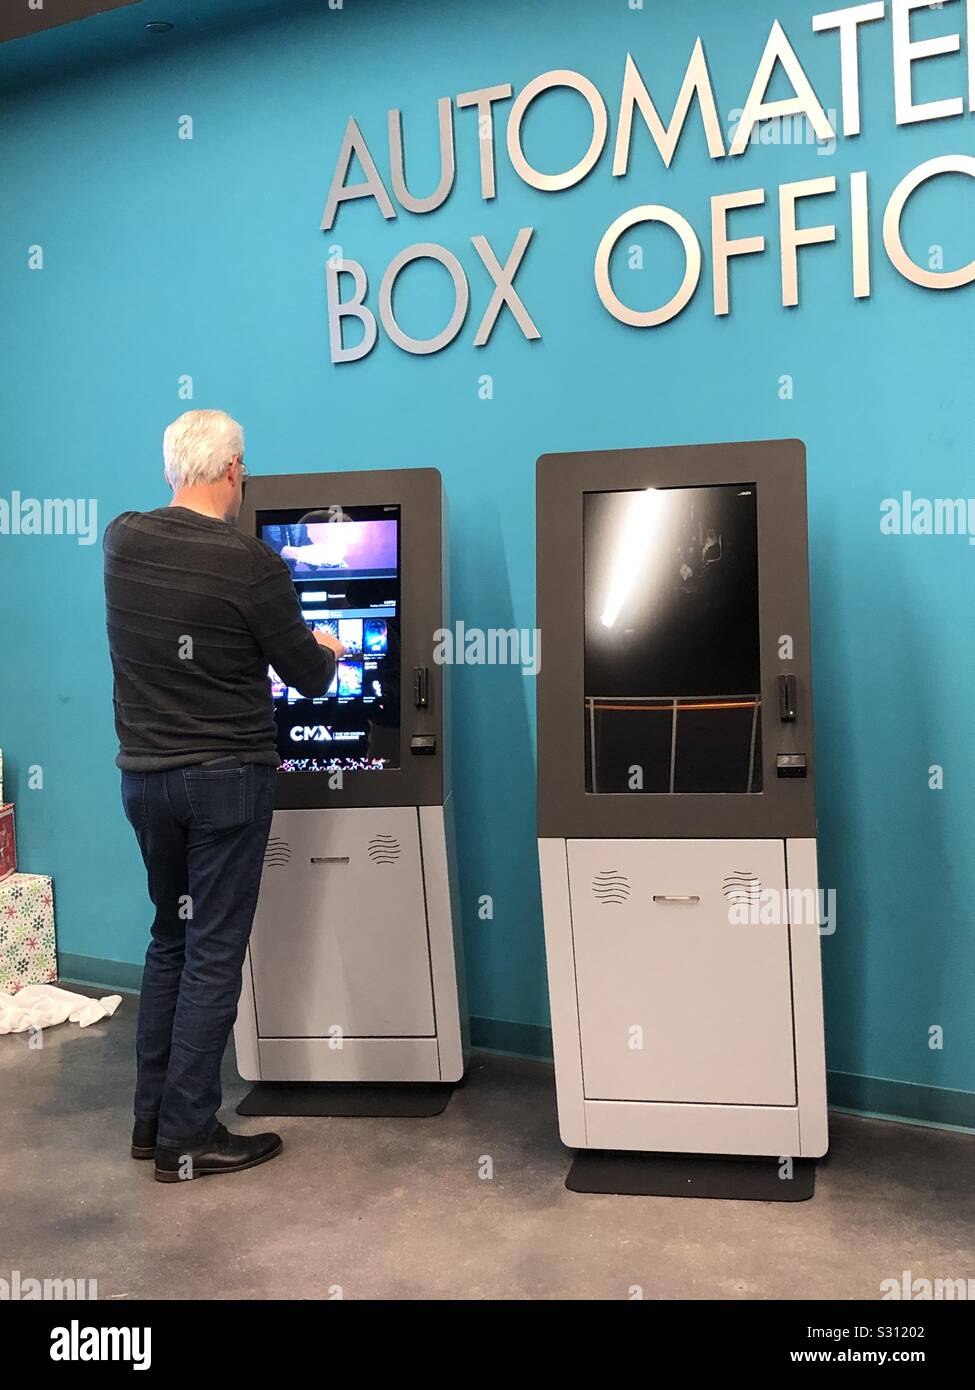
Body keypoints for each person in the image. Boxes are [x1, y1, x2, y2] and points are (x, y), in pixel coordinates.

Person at [103, 409, 345, 1182]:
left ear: (174, 468)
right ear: (234, 471)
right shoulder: (251, 566)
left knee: (168, 940)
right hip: (225, 780)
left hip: (145, 778)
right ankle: (188, 1135)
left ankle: (150, 1121)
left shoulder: (122, 540)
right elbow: (306, 674)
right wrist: (333, 648)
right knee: (213, 952)